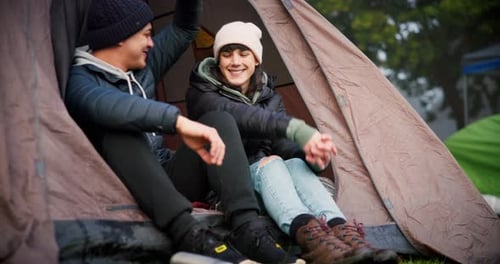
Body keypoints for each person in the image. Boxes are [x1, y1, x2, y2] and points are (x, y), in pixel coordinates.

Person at [64, 1, 304, 263]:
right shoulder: (79, 80)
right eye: (146, 34)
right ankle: (191, 235)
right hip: (120, 186)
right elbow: (109, 106)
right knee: (120, 130)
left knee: (218, 120)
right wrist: (179, 123)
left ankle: (247, 228)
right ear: (121, 37)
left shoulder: (143, 66)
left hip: (166, 175)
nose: (152, 42)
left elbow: (185, 27)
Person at [185, 21, 400, 264]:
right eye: (227, 54)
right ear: (218, 60)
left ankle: (345, 237)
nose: (235, 61)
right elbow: (241, 115)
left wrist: (311, 156)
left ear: (256, 59)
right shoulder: (202, 92)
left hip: (268, 179)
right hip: (229, 188)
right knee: (272, 162)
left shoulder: (269, 97)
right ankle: (314, 243)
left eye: (243, 53)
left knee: (296, 164)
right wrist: (296, 131)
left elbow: (281, 145)